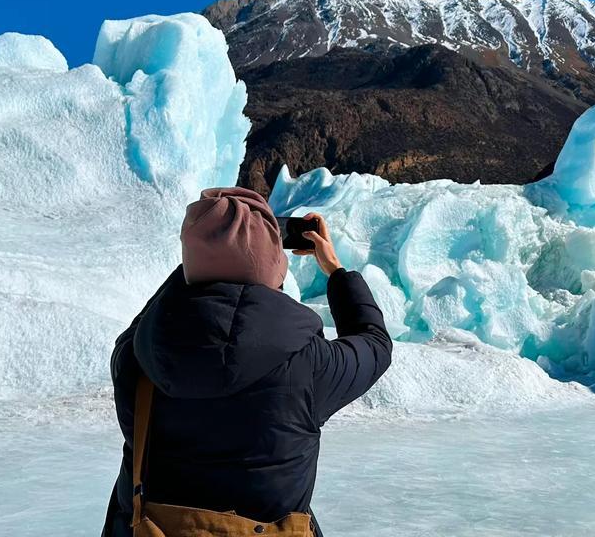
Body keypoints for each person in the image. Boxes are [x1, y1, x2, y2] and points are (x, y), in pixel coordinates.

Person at [102, 187, 392, 537]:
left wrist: (204, 256)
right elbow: (374, 344)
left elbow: (148, 321)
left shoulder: (136, 359)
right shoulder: (308, 364)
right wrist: (335, 271)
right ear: (274, 264)